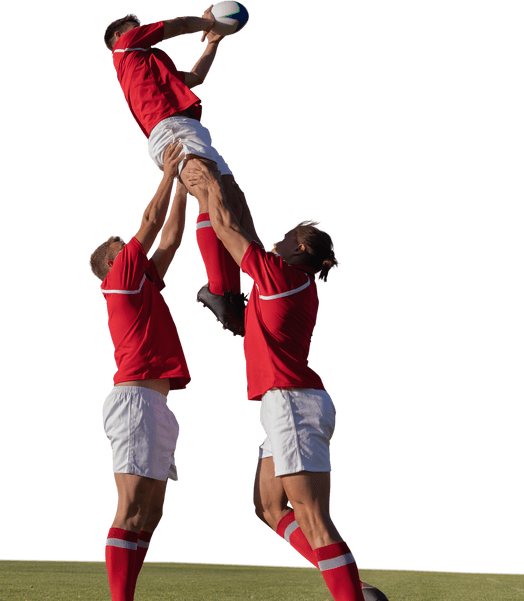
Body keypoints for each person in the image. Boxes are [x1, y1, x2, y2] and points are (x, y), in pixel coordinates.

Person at [196, 167, 386, 601]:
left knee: (314, 518)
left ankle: (350, 594)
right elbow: (245, 232)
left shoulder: (280, 277)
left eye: (285, 237)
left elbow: (226, 228)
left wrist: (208, 183)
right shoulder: (283, 280)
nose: (275, 241)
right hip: (285, 403)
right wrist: (236, 192)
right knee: (269, 508)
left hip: (293, 404)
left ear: (298, 248)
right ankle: (354, 587)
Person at [103, 8, 261, 336]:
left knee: (233, 198)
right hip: (169, 128)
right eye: (136, 27)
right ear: (120, 35)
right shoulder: (126, 47)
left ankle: (249, 285)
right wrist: (211, 21)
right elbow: (180, 25)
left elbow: (194, 78)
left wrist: (213, 42)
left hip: (188, 127)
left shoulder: (150, 61)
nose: (143, 29)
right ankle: (221, 293)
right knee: (210, 193)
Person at [87, 142, 190, 601]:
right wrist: (168, 172)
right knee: (131, 509)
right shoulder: (120, 280)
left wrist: (183, 186)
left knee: (152, 512)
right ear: (115, 263)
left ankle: (126, 592)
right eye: (124, 248)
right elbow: (150, 224)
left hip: (153, 404)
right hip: (135, 401)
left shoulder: (143, 280)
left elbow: (170, 238)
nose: (133, 249)